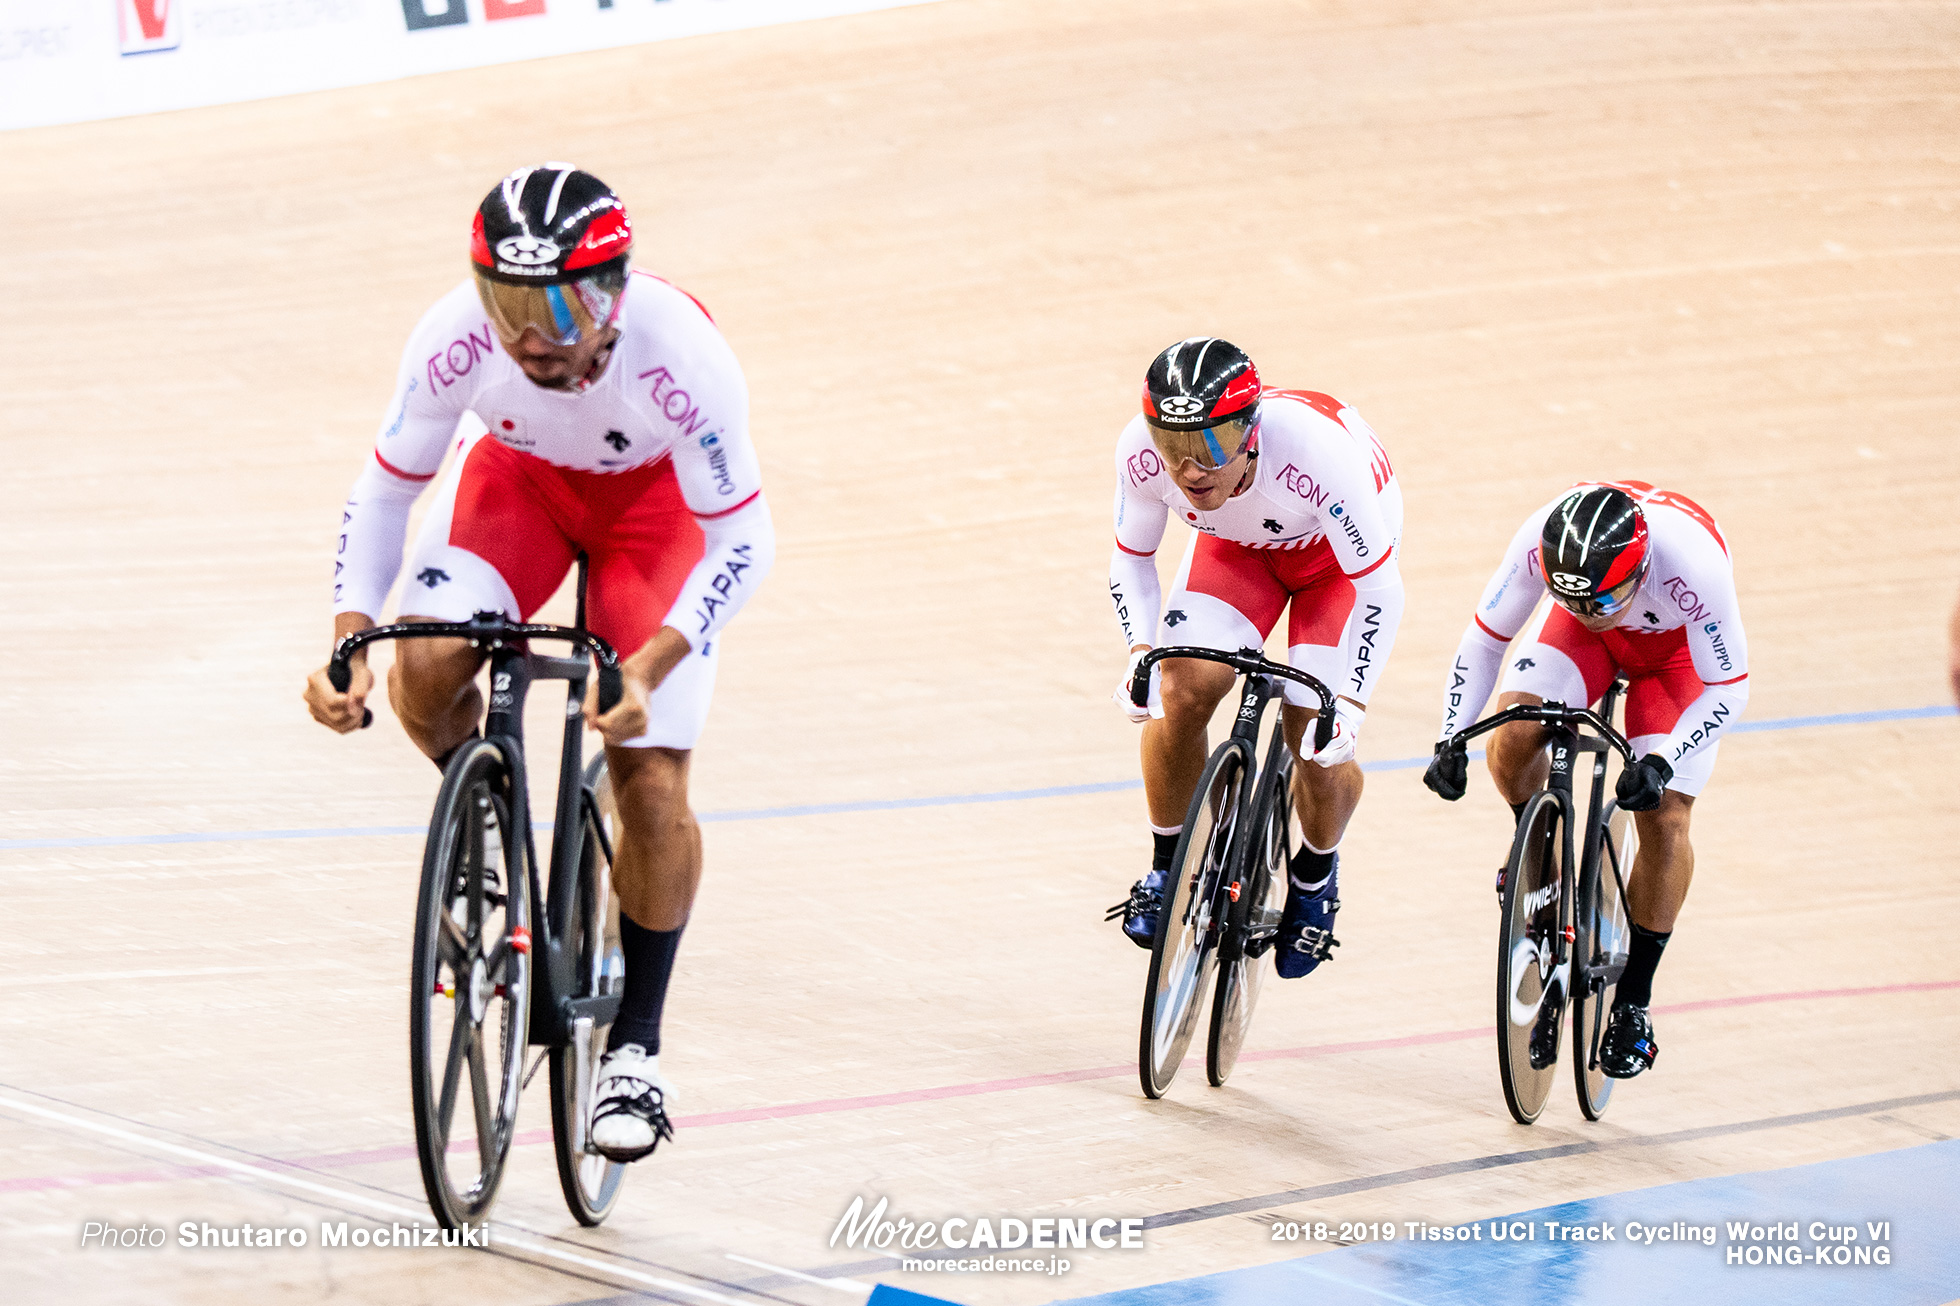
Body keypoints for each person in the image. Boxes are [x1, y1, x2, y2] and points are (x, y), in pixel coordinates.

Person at [302, 164, 775, 1160]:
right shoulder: (452, 341)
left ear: (611, 292)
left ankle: (636, 1050)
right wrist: (348, 636)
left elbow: (742, 541)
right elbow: (385, 493)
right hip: (519, 485)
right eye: (509, 302)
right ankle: (488, 815)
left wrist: (649, 662)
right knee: (422, 669)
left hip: (657, 515)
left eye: (558, 305)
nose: (531, 334)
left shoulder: (682, 355)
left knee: (649, 778)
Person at [1423, 482, 1747, 1078]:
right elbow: (1484, 640)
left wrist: (1663, 761)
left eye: (1604, 599)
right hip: (1579, 646)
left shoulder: (1694, 565)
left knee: (1666, 814)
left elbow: (1729, 688)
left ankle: (1634, 1003)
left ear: (1642, 568)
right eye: (1577, 599)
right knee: (1515, 736)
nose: (1594, 614)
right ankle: (1534, 849)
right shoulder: (1542, 543)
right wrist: (1451, 735)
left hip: (1674, 658)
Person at [1107, 338, 1405, 978]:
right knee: (1179, 692)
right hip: (1237, 552)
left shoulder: (1317, 456)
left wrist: (1348, 704)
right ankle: (1168, 869)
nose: (1191, 470)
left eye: (1212, 447)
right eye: (1175, 448)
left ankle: (1315, 873)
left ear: (1251, 430)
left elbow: (1381, 591)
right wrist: (1140, 652)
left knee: (1316, 739)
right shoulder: (1140, 450)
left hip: (1335, 567)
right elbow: (1132, 560)